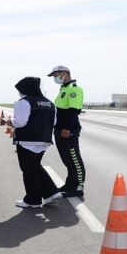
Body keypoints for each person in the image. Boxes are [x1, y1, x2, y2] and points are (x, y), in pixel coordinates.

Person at [5, 76, 62, 208]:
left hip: (27, 140)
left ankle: (33, 200)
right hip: (44, 140)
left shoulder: (24, 102)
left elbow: (20, 122)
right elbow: (54, 122)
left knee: (28, 170)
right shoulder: (49, 103)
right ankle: (51, 193)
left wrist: (10, 122)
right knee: (35, 167)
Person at [47, 65, 86, 198]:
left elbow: (73, 110)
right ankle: (69, 184)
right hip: (59, 129)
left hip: (68, 130)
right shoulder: (64, 88)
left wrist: (67, 128)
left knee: (74, 159)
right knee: (67, 159)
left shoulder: (74, 89)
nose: (55, 78)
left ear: (64, 73)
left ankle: (78, 187)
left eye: (56, 75)